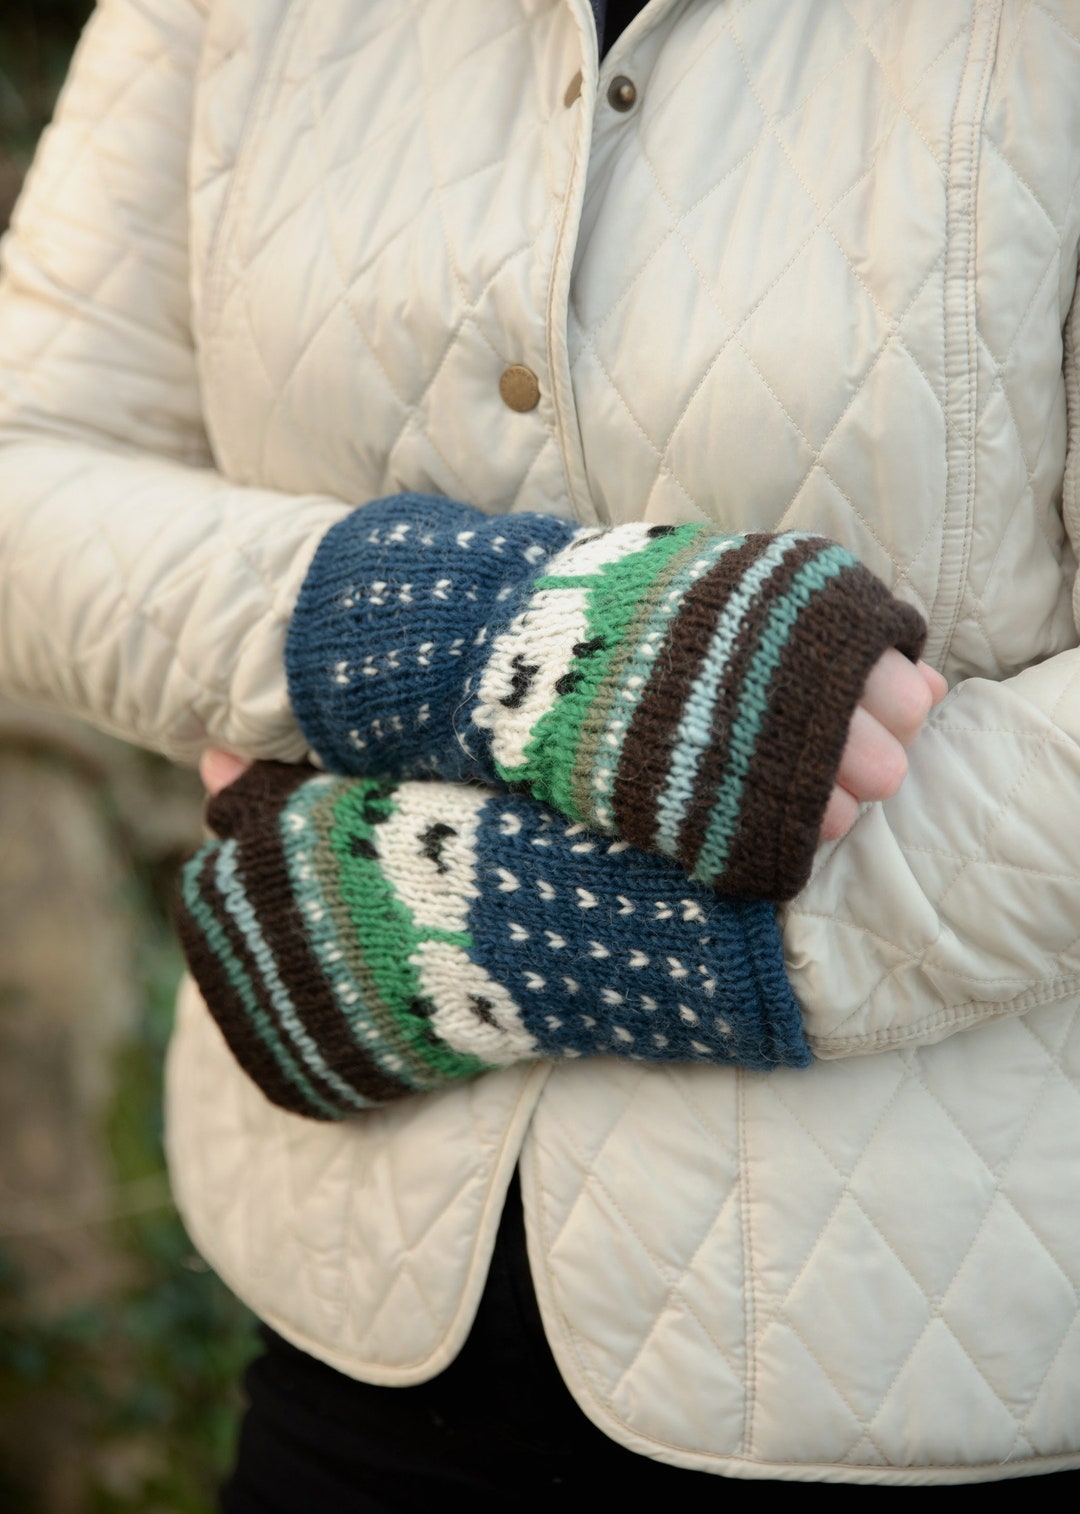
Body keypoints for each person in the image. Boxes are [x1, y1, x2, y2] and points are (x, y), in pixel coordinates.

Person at [0, 0, 1078, 1501]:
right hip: (363, 1315)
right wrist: (485, 636)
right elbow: (31, 469)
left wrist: (479, 925)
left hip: (940, 1346)